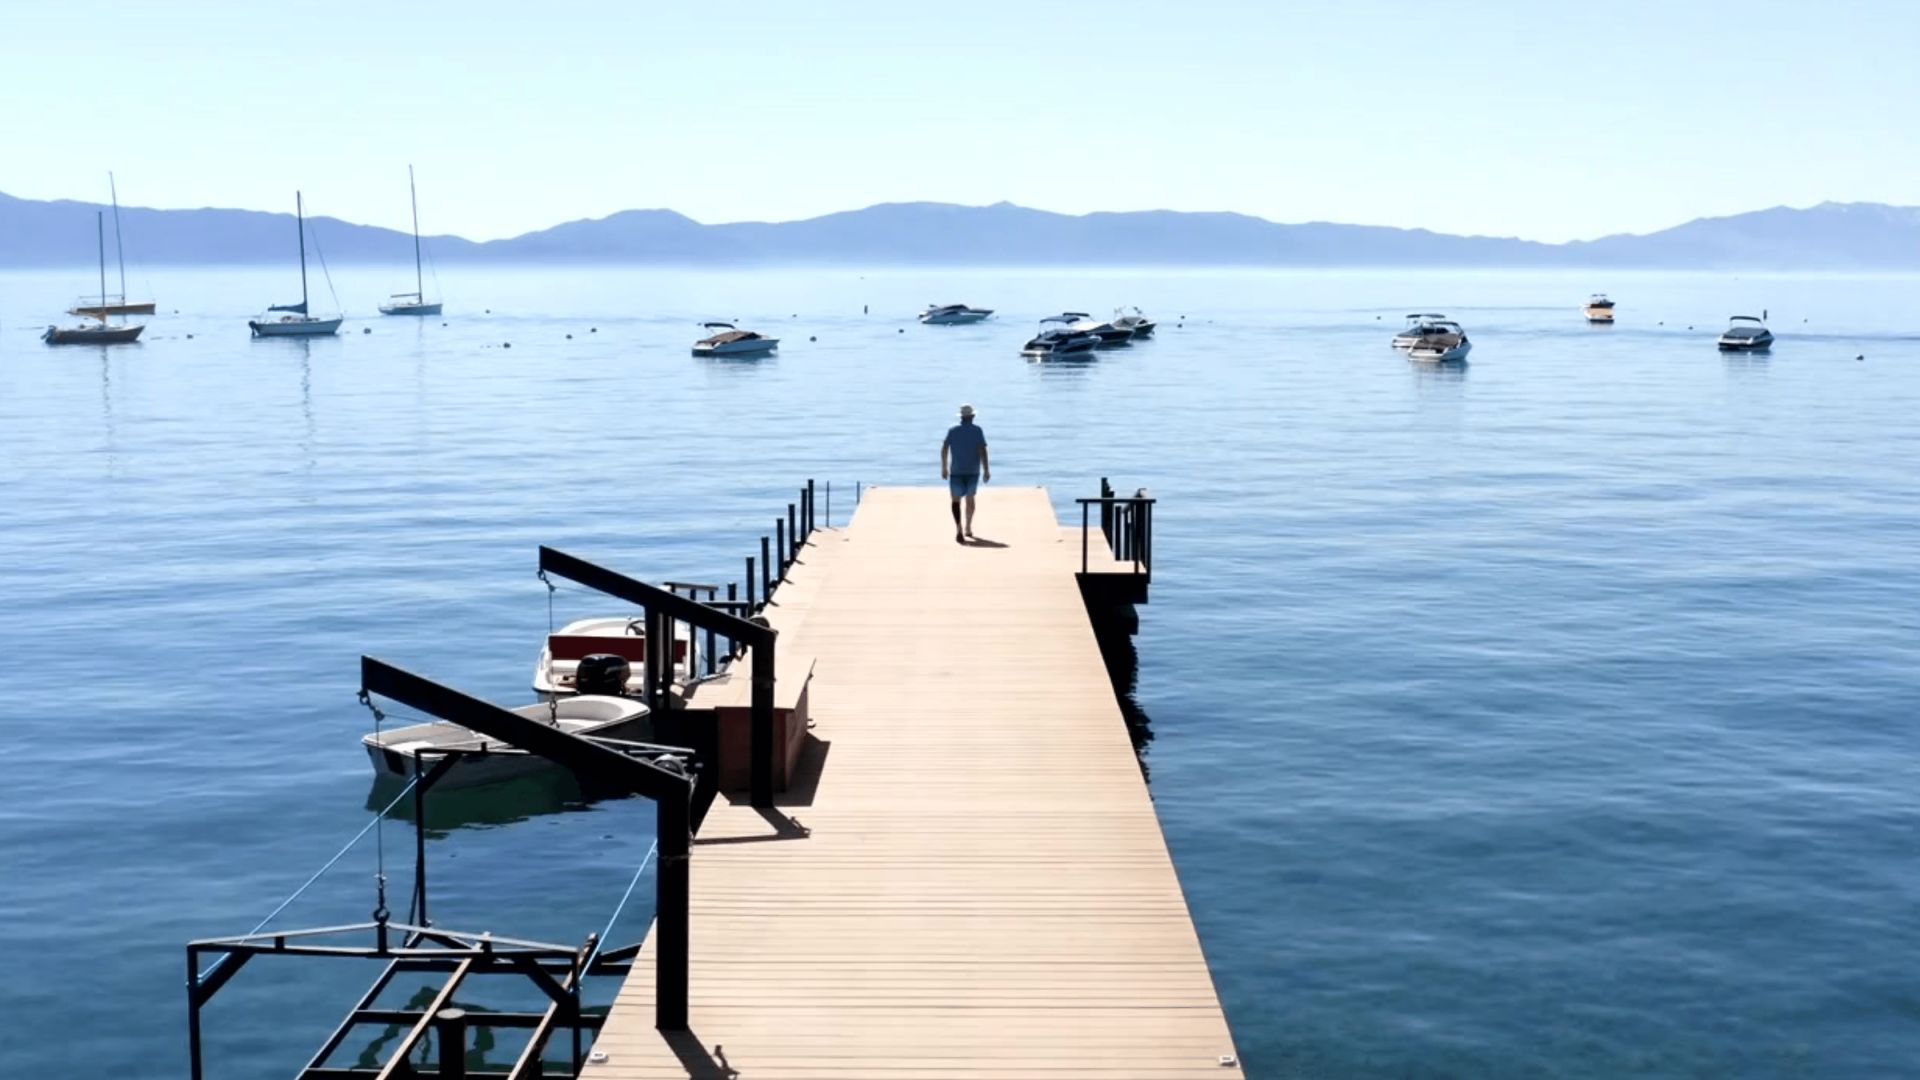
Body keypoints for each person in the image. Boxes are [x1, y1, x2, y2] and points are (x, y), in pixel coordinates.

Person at [940, 404, 990, 542]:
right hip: (973, 471)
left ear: (961, 417)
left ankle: (958, 528)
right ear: (973, 416)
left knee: (955, 500)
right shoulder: (977, 430)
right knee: (970, 499)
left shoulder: (952, 430)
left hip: (956, 471)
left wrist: (944, 467)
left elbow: (944, 448)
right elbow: (982, 451)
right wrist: (986, 469)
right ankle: (968, 526)